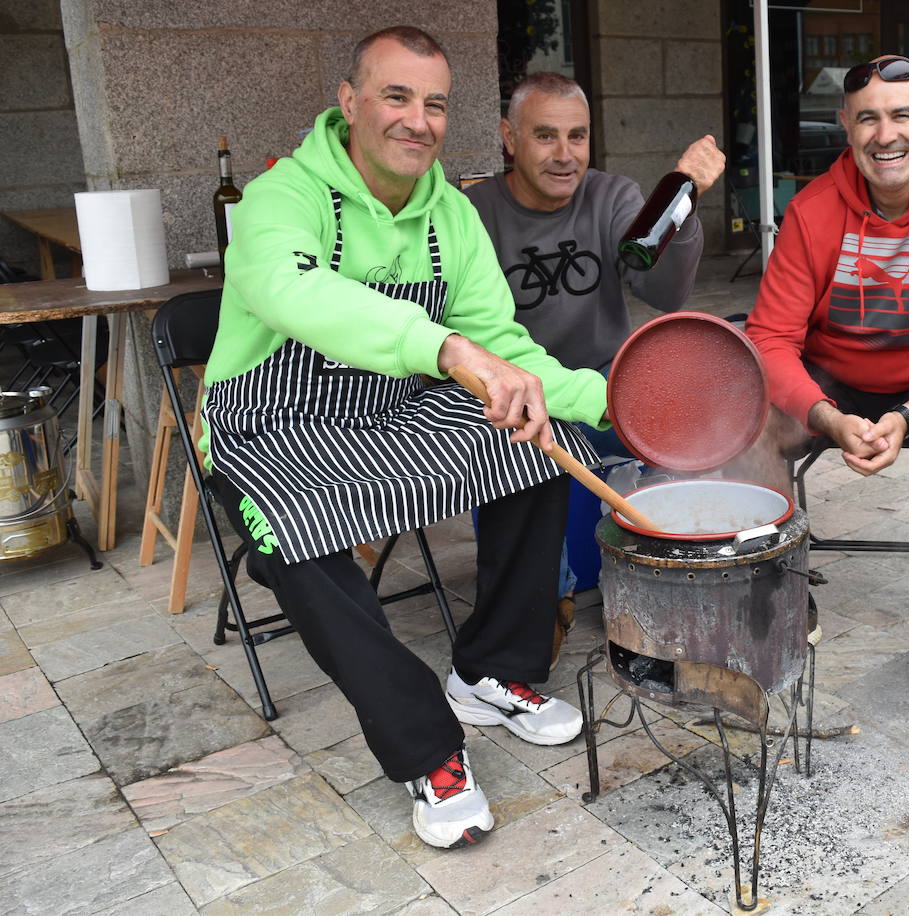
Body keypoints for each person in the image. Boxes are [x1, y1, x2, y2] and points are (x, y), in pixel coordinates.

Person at [203, 27, 609, 850]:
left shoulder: (450, 216)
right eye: (396, 96)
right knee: (293, 535)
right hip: (267, 422)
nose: (417, 121)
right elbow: (291, 290)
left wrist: (615, 403)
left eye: (434, 104)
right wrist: (448, 350)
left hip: (391, 410)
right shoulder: (281, 199)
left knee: (534, 435)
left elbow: (507, 350)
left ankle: (491, 668)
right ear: (350, 102)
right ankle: (429, 747)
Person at [731, 55, 909, 705]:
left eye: (901, 115)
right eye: (867, 117)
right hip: (833, 382)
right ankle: (782, 596)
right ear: (845, 124)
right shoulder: (812, 211)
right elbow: (771, 339)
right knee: (743, 413)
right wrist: (825, 416)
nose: (884, 134)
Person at [463, 72, 725, 664]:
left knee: (685, 437)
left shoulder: (613, 196)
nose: (564, 155)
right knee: (515, 453)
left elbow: (665, 293)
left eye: (577, 136)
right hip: (516, 399)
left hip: (608, 387)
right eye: (545, 136)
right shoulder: (472, 212)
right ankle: (546, 603)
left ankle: (665, 589)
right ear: (509, 138)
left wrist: (682, 200)